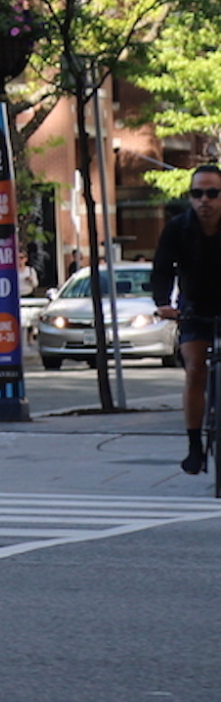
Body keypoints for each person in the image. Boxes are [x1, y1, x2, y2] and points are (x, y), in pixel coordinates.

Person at [151, 162, 221, 474]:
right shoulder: (178, 228)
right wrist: (163, 303)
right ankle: (195, 445)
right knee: (195, 369)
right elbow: (162, 269)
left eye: (212, 193)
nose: (204, 200)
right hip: (194, 306)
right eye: (197, 193)